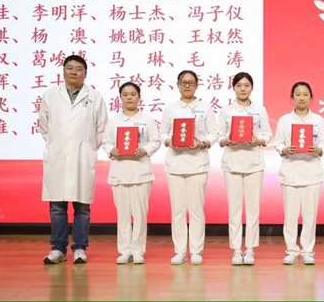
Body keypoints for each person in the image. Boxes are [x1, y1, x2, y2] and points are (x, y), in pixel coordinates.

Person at [39, 55, 108, 264]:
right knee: (57, 207)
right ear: (63, 71)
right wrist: (58, 144)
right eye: (69, 68)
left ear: (85, 73)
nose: (74, 72)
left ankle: (80, 248)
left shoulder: (94, 96)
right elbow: (44, 125)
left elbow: (101, 128)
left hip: (82, 157)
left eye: (79, 69)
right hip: (58, 156)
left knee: (82, 207)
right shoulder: (51, 95)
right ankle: (58, 249)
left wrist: (87, 147)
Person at [159, 70, 217, 265]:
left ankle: (197, 250)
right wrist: (169, 141)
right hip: (175, 164)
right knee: (178, 210)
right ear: (177, 85)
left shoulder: (205, 108)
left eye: (191, 82)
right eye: (183, 82)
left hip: (197, 164)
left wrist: (203, 143)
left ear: (196, 85)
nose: (187, 86)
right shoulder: (171, 109)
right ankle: (180, 250)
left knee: (196, 209)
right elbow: (163, 132)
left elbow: (214, 133)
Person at [217, 72, 272, 265]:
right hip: (232, 162)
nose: (243, 89)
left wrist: (258, 140)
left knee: (253, 208)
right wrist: (226, 140)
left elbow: (268, 135)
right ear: (233, 88)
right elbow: (219, 136)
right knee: (234, 208)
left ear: (252, 88)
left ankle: (249, 249)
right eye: (239, 85)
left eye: (246, 85)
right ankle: (236, 249)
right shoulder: (226, 111)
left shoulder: (259, 109)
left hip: (254, 163)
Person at [102, 82, 160, 264]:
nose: (129, 97)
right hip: (119, 172)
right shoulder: (113, 121)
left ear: (139, 97)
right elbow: (106, 142)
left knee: (140, 214)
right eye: (125, 94)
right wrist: (111, 150)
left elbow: (156, 141)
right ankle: (125, 250)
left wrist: (145, 150)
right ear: (120, 98)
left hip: (141, 173)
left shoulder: (148, 120)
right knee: (123, 214)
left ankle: (138, 250)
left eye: (133, 94)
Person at [274, 82, 324, 265]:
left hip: (312, 172)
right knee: (290, 215)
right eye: (298, 94)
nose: (302, 98)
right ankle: (291, 250)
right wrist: (284, 149)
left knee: (309, 214)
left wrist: (319, 150)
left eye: (305, 94)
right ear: (292, 97)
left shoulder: (318, 120)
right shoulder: (285, 120)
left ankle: (307, 251)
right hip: (290, 171)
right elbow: (278, 142)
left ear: (311, 97)